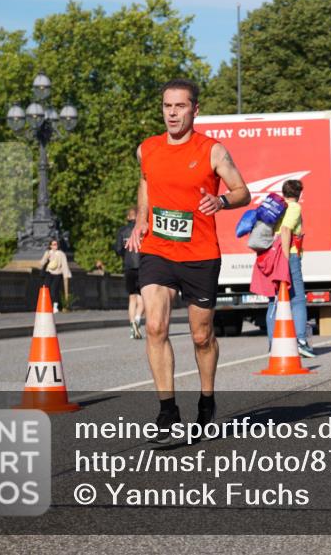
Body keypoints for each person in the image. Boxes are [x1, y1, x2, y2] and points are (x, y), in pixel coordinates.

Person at [126, 78, 251, 444]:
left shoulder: (213, 151)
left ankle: (207, 401)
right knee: (155, 327)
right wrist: (141, 220)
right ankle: (167, 412)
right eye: (167, 106)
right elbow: (147, 182)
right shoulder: (146, 148)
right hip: (159, 250)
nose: (172, 113)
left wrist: (222, 202)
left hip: (200, 254)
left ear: (195, 109)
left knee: (201, 336)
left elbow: (243, 191)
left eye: (180, 106)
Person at [265, 180, 314, 357]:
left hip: (272, 253)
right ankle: (301, 341)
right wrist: (285, 259)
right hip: (289, 255)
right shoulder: (294, 207)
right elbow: (286, 230)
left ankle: (274, 344)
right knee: (298, 298)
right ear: (299, 193)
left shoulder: (276, 207)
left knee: (275, 299)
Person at [114, 207, 144, 339]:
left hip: (128, 266)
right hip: (143, 265)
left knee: (132, 297)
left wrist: (126, 256)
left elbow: (118, 249)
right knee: (143, 297)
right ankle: (137, 318)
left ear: (127, 217)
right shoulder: (142, 230)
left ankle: (132, 324)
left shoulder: (122, 231)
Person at [39, 239, 71, 313]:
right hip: (49, 272)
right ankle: (47, 305)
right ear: (50, 246)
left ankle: (55, 306)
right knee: (46, 288)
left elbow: (64, 265)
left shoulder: (61, 254)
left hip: (57, 273)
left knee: (54, 290)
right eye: (53, 244)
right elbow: (42, 263)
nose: (55, 246)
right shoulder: (48, 253)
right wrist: (46, 256)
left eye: (56, 244)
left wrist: (66, 275)